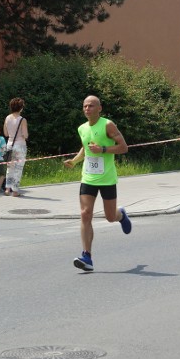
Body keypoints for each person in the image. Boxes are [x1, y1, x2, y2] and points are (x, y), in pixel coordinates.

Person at [63, 95, 132, 271]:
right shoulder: (82, 128)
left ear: (99, 108)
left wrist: (103, 149)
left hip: (107, 179)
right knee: (85, 213)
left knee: (110, 217)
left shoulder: (107, 125)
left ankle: (121, 215)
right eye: (85, 106)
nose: (87, 109)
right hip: (88, 177)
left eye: (91, 106)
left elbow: (124, 147)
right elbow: (85, 148)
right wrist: (75, 161)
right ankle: (87, 256)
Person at [3, 97, 28, 197]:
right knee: (18, 168)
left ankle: (7, 189)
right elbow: (25, 135)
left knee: (10, 168)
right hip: (20, 145)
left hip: (9, 144)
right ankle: (15, 191)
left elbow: (5, 133)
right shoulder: (22, 120)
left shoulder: (7, 118)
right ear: (20, 108)